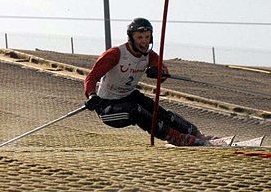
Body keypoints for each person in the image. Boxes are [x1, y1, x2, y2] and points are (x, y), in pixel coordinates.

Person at [84, 17, 210, 146]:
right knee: (136, 110)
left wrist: (158, 72)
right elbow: (91, 77)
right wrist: (92, 95)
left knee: (157, 111)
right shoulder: (115, 54)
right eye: (139, 37)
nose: (144, 42)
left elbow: (163, 72)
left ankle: (196, 134)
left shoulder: (150, 56)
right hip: (107, 106)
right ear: (131, 38)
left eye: (147, 37)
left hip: (128, 96)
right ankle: (175, 137)